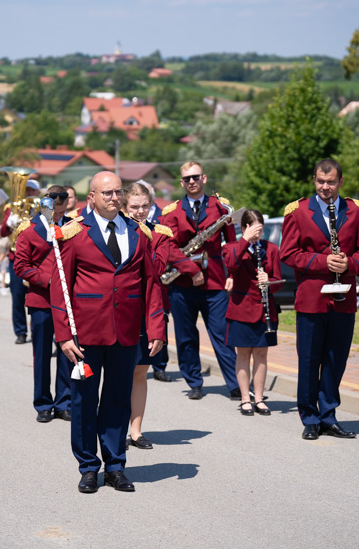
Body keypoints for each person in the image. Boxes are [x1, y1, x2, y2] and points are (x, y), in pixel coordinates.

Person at [52, 171, 165, 494]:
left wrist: (156, 327)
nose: (114, 198)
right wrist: (64, 336)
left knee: (117, 402)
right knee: (85, 401)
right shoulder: (74, 234)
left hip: (126, 334)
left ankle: (115, 466)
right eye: (107, 193)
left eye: (118, 192)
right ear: (92, 198)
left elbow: (151, 284)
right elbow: (60, 287)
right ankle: (89, 467)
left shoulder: (139, 233)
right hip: (85, 335)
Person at [280, 159, 359, 440]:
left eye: (331, 182)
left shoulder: (355, 211)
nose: (325, 187)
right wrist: (323, 261)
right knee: (309, 360)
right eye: (321, 181)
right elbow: (288, 253)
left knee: (335, 360)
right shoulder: (297, 212)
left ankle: (328, 415)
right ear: (314, 180)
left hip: (343, 299)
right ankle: (309, 417)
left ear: (340, 182)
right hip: (311, 299)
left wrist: (349, 264)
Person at [159, 161, 239, 400]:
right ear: (181, 182)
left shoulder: (222, 208)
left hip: (214, 281)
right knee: (185, 336)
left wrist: (233, 274)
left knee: (222, 334)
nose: (191, 181)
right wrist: (190, 270)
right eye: (186, 179)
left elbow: (232, 245)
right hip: (182, 282)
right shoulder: (171, 211)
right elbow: (168, 247)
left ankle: (236, 384)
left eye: (195, 177)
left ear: (203, 178)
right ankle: (194, 382)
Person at [120, 182, 181, 450]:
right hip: (122, 311)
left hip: (148, 310)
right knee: (119, 372)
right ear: (124, 207)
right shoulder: (116, 232)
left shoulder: (160, 233)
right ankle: (116, 428)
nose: (140, 211)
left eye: (145, 206)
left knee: (140, 372)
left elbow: (155, 269)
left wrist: (143, 234)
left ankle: (136, 430)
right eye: (134, 207)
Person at [13, 185, 72, 424]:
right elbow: (20, 267)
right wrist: (48, 280)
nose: (58, 217)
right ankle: (43, 403)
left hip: (68, 300)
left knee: (68, 352)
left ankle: (65, 402)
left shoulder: (73, 226)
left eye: (61, 212)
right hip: (41, 299)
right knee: (42, 355)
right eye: (55, 212)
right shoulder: (28, 230)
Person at [223, 210, 281, 416]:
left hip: (265, 309)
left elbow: (278, 282)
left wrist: (270, 282)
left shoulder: (272, 249)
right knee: (243, 353)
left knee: (261, 354)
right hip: (241, 310)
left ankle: (259, 398)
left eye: (261, 229)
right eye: (254, 229)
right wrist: (245, 240)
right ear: (246, 227)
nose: (258, 234)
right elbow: (231, 264)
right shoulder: (232, 247)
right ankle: (245, 398)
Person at [0, 179, 40, 343]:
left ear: (38, 193)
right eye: (27, 190)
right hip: (15, 257)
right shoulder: (12, 208)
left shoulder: (41, 207)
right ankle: (21, 332)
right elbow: (3, 232)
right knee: (17, 297)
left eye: (32, 191)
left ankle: (37, 329)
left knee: (37, 296)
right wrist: (10, 224)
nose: (29, 193)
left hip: (36, 257)